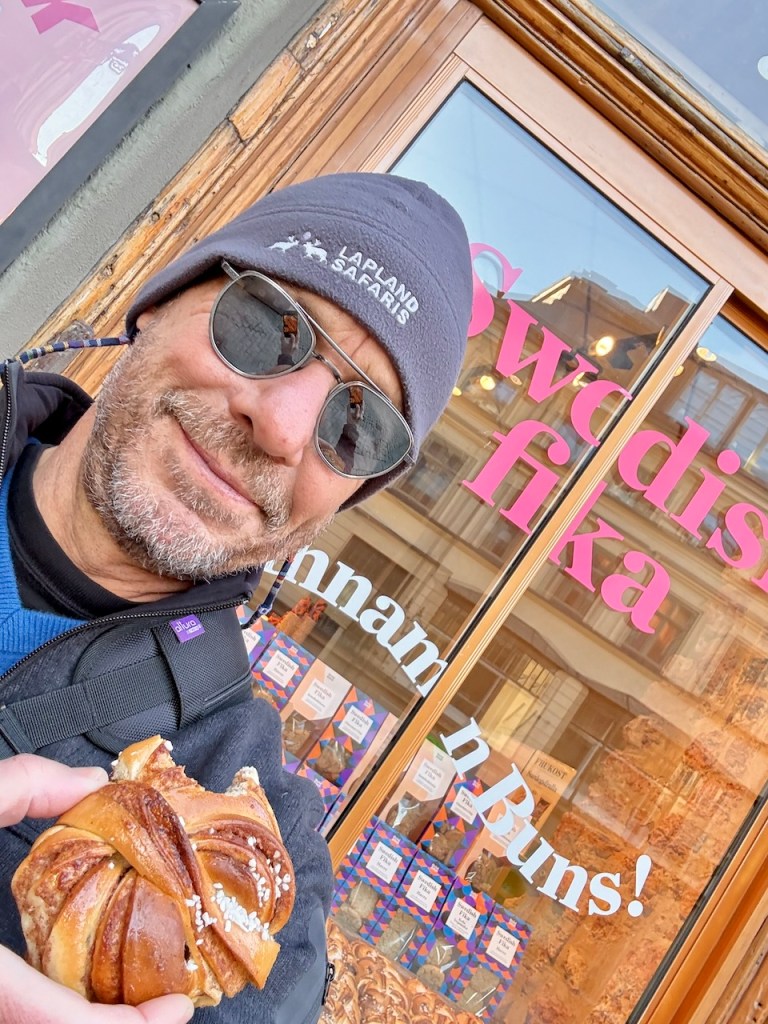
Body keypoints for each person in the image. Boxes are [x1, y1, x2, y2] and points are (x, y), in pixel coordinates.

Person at [0, 172, 472, 1022]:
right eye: (267, 323)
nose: (282, 427)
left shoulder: (254, 863)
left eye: (357, 427)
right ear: (159, 301)